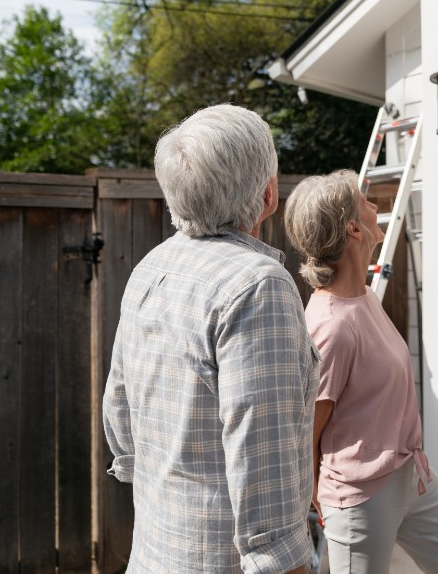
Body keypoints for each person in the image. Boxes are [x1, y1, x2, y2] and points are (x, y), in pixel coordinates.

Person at [102, 105, 319, 574]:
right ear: (268, 194)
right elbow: (265, 461)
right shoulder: (258, 284)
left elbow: (119, 417)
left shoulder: (150, 268)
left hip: (153, 552)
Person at [284, 170, 438, 574]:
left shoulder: (363, 298)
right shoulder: (330, 325)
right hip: (362, 499)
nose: (375, 206)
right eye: (365, 202)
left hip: (411, 476)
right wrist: (319, 501)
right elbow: (305, 433)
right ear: (352, 229)